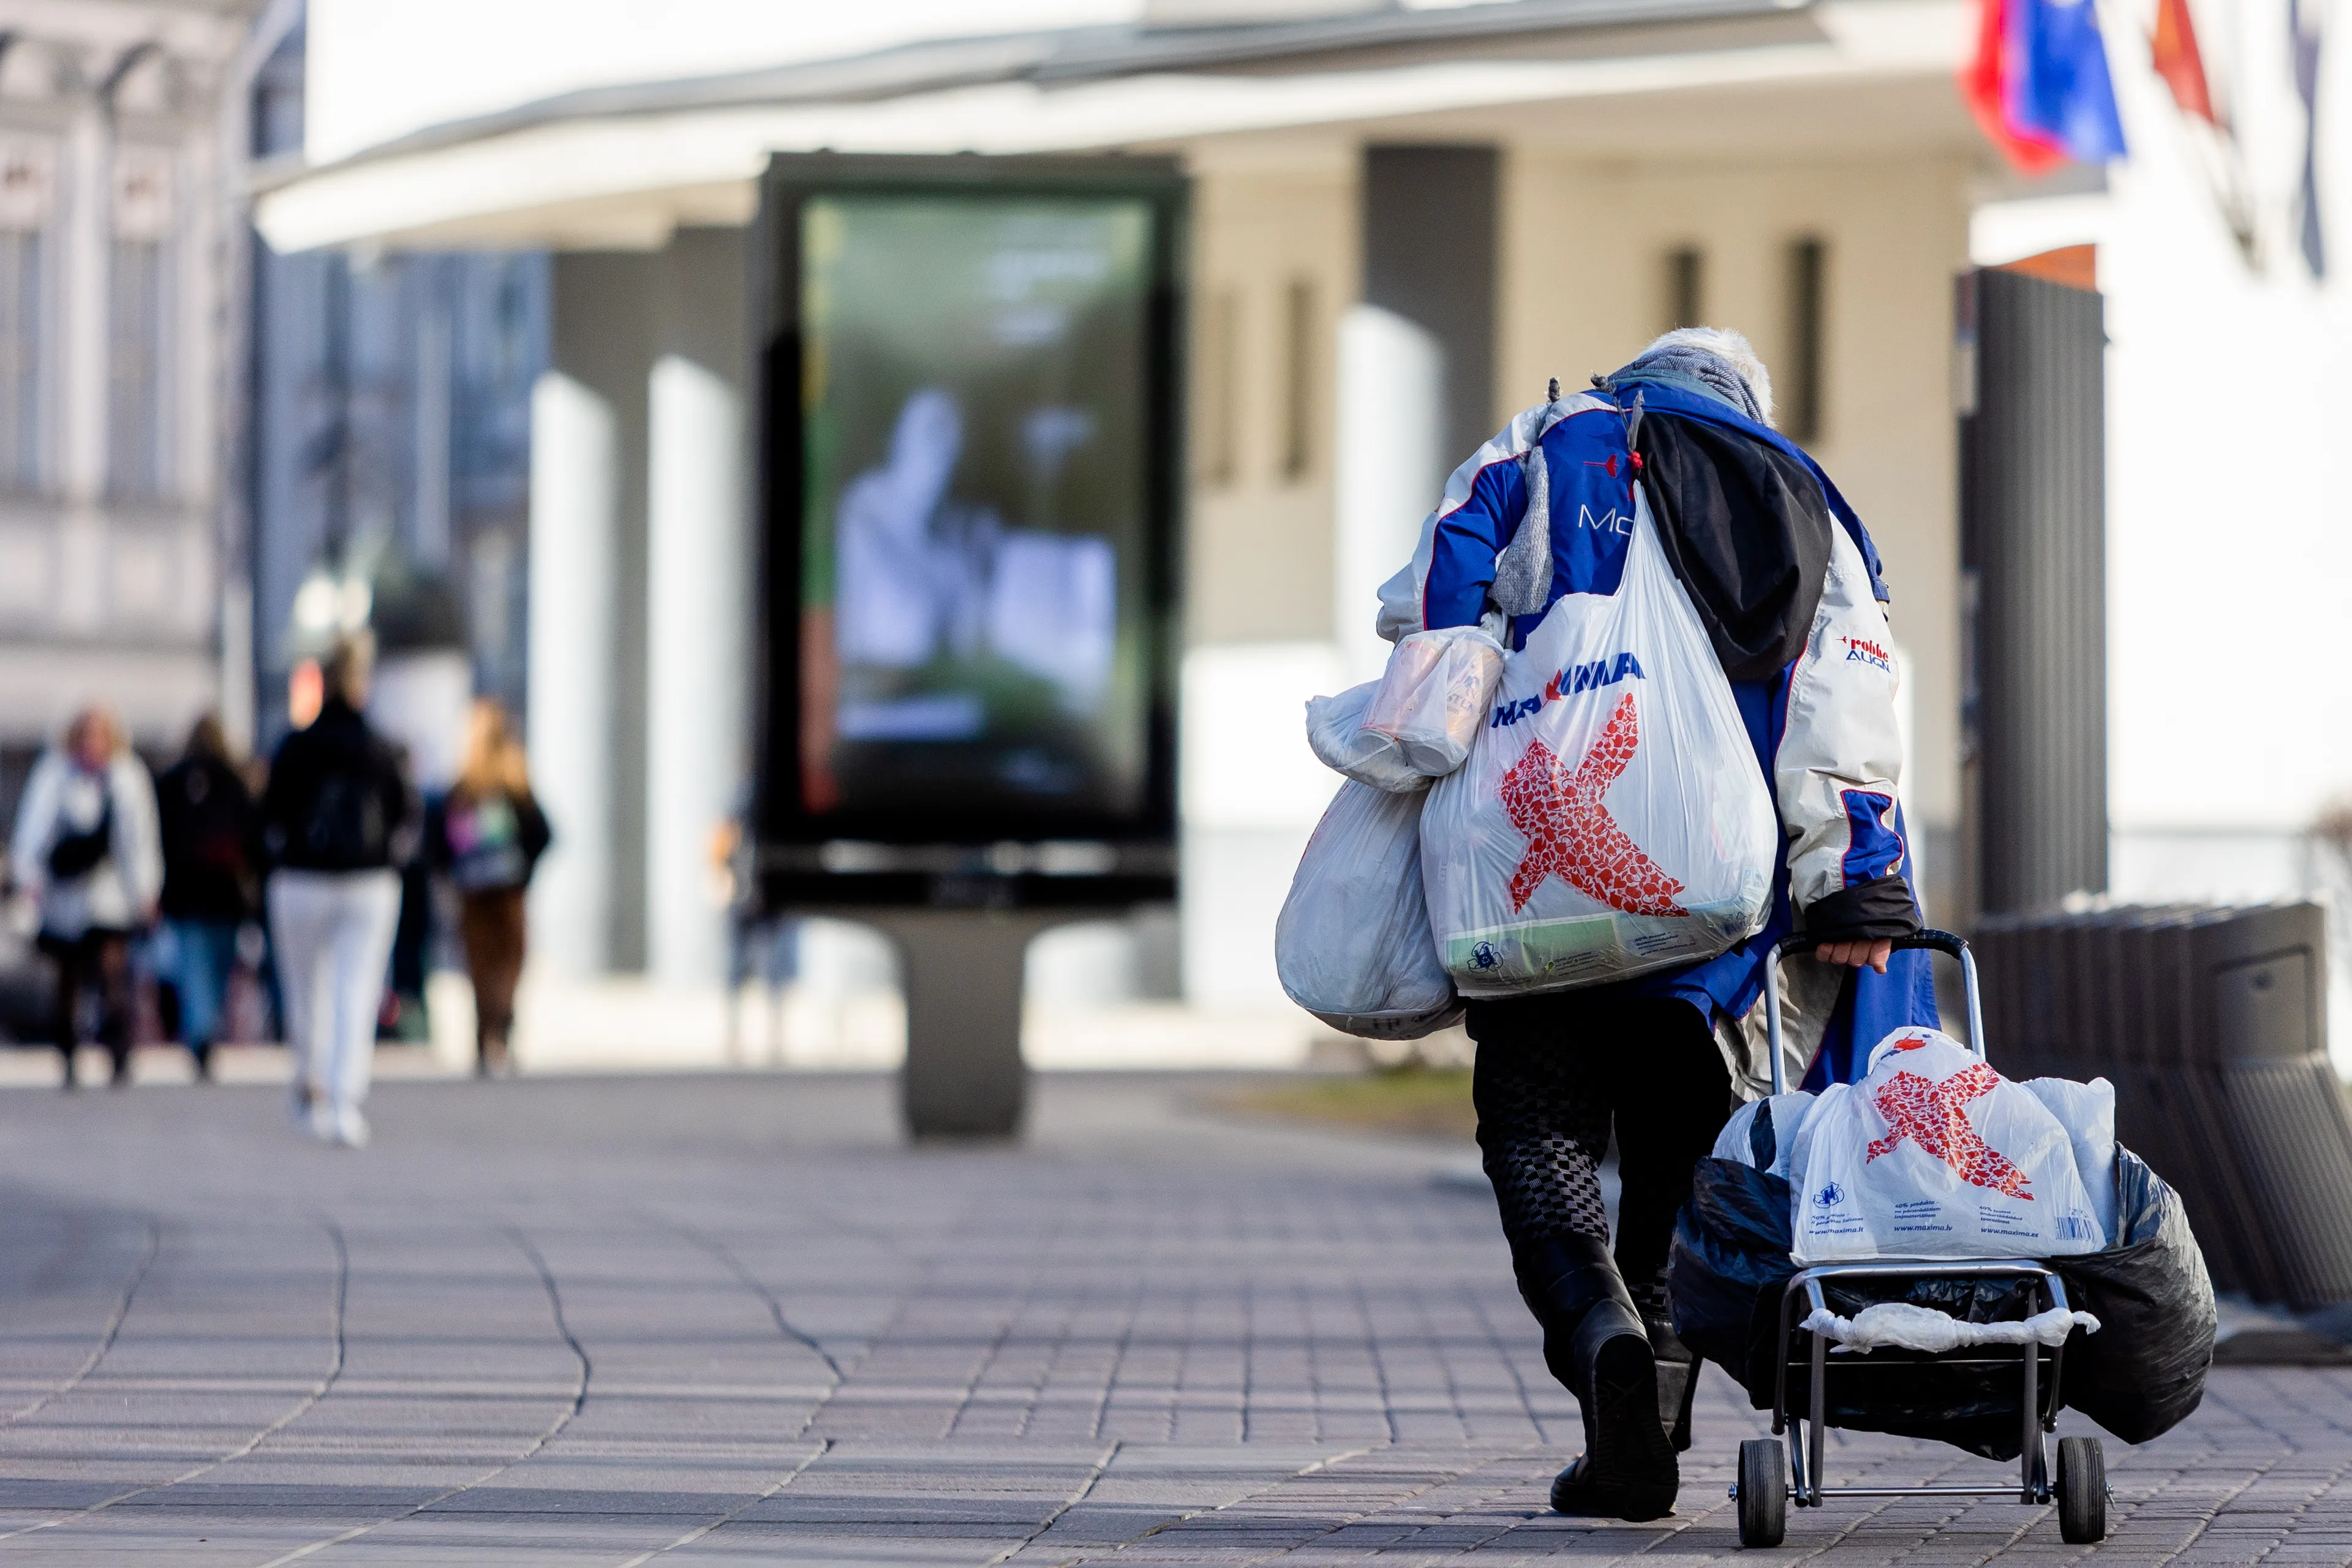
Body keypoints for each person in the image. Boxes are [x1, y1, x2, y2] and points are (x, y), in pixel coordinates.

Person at [1382, 328, 1936, 1520]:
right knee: (1679, 1158)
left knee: (1538, 1134)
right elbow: (1846, 687)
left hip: (1531, 895)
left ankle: (1601, 1344)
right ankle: (1651, 1436)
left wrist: (1426, 754)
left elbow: (1429, 602)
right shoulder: (1795, 486)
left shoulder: (1533, 450)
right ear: (1746, 399)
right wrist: (1856, 876)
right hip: (1714, 910)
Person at [260, 633, 413, 1147]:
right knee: (357, 988)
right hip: (368, 881)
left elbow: (271, 813)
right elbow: (404, 815)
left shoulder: (296, 746)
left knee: (306, 990)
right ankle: (346, 1099)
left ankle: (312, 1087)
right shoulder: (382, 748)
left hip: (302, 878)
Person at [9, 706, 163, 1088]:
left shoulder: (126, 777)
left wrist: (146, 890)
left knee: (113, 973)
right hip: (65, 895)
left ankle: (117, 1047)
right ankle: (68, 1049)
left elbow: (139, 841)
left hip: (110, 894)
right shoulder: (56, 776)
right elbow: (34, 830)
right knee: (68, 978)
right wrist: (28, 877)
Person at [427, 698, 548, 1076]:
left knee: (479, 965)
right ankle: (502, 1025)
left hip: (473, 892)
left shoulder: (463, 788)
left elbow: (437, 845)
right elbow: (542, 834)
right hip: (509, 891)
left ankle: (484, 1034)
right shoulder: (516, 786)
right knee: (509, 962)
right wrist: (524, 873)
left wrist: (452, 876)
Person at [154, 714, 260, 1080]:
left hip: (186, 891)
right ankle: (205, 1028)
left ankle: (202, 1029)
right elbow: (253, 839)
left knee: (194, 965)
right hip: (225, 892)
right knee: (217, 965)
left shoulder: (173, 782)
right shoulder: (235, 781)